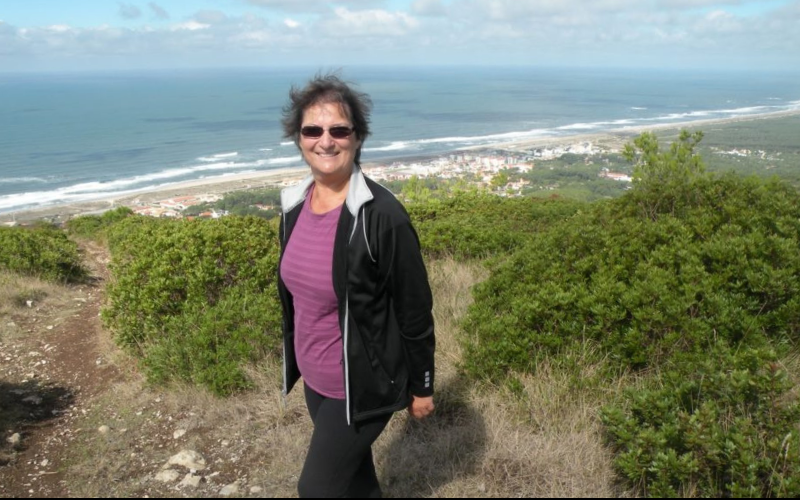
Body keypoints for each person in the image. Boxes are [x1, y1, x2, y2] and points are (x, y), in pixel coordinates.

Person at [277, 73, 436, 498]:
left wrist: (422, 385)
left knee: (317, 488)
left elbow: (414, 308)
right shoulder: (294, 205)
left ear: (357, 137)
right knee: (357, 482)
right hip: (316, 380)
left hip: (362, 384)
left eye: (339, 130)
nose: (325, 141)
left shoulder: (381, 215)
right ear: (298, 138)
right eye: (313, 130)